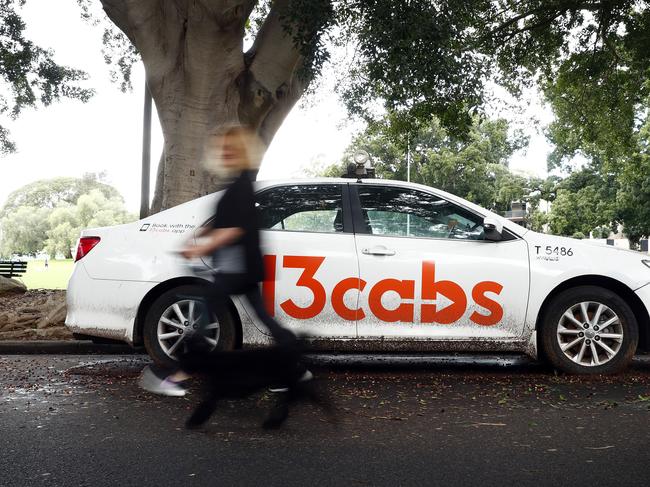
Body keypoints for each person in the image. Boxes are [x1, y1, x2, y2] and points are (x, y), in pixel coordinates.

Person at [139, 125, 305, 399]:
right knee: (264, 319)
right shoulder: (238, 185)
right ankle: (295, 369)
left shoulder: (240, 187)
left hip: (235, 268)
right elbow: (225, 222)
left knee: (202, 320)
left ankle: (178, 377)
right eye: (224, 149)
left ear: (241, 153)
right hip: (242, 267)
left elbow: (233, 229)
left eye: (231, 150)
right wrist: (201, 233)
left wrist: (200, 247)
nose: (225, 154)